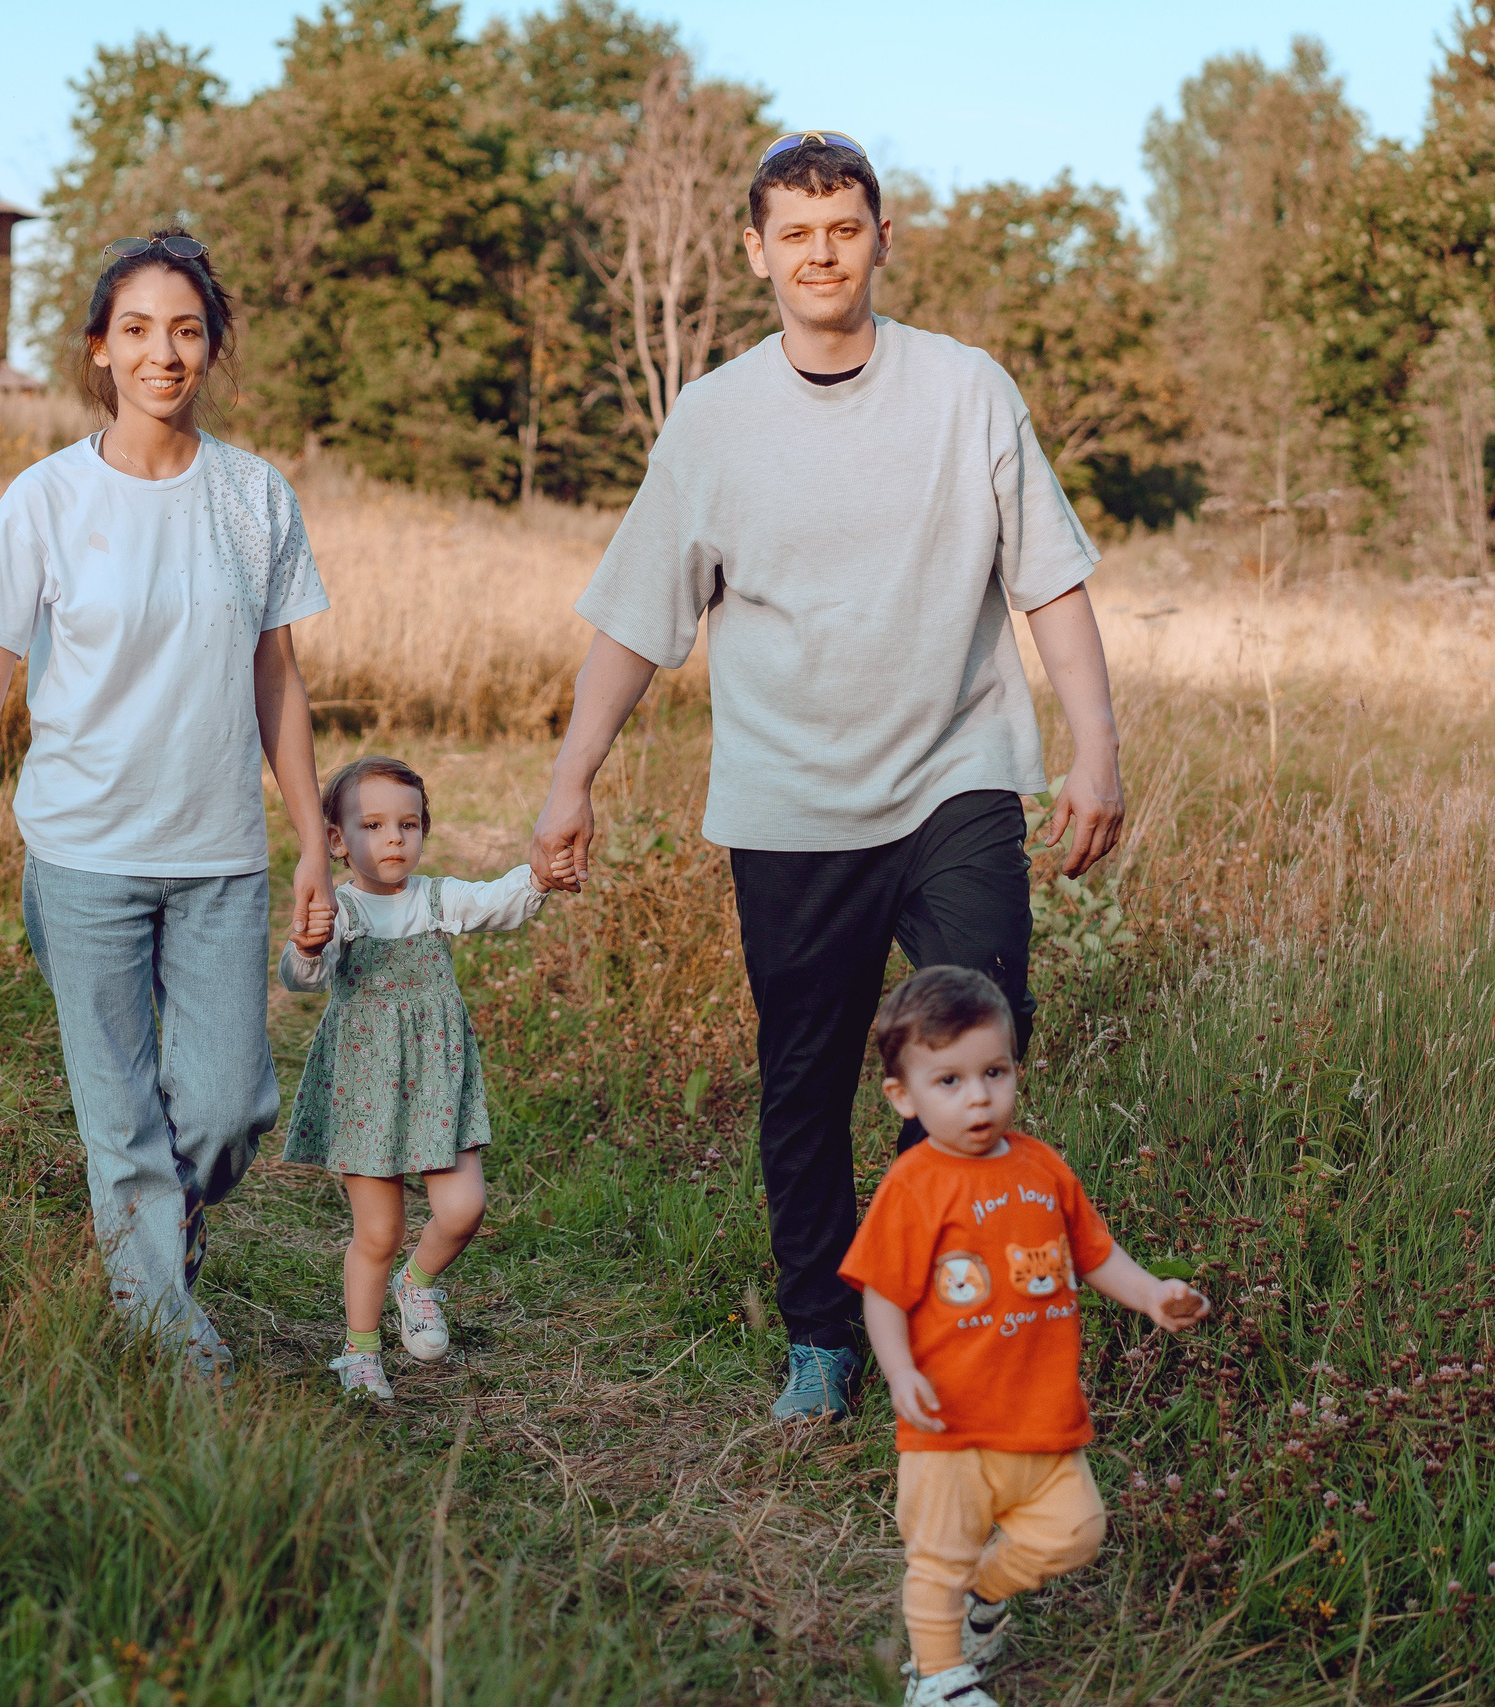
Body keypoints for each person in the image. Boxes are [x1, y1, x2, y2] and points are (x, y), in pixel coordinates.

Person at [529, 132, 1129, 1421]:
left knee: (968, 1045)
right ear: (757, 252)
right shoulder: (713, 418)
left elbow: (1050, 582)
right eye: (794, 234)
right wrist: (572, 775)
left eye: (843, 229)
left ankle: (941, 1312)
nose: (820, 253)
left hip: (957, 777)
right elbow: (639, 616)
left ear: (880, 240)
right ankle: (824, 1332)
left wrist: (1096, 747)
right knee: (803, 1073)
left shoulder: (967, 390)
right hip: (791, 799)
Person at [0, 230, 334, 1381]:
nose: (162, 353)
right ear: (98, 350)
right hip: (82, 852)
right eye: (135, 329)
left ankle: (159, 1248)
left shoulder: (252, 497)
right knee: (120, 1114)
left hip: (219, 850)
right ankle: (168, 1340)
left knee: (229, 1107)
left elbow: (275, 675)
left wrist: (314, 841)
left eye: (185, 330)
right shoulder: (44, 500)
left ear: (211, 349)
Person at [840, 966, 1206, 1706]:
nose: (978, 1095)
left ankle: (985, 1591)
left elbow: (1095, 1252)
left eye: (994, 1072)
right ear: (902, 1096)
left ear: (1014, 1070)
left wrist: (1152, 1295)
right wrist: (898, 1368)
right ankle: (937, 1678)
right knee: (936, 1557)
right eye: (949, 1080)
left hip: (1038, 1412)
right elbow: (882, 1292)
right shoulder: (913, 1185)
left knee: (1076, 1532)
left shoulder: (1043, 1166)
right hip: (948, 1421)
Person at [278, 757, 547, 1400]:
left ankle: (418, 1283)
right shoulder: (341, 911)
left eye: (408, 823)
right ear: (337, 842)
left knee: (464, 1209)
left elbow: (497, 902)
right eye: (371, 825)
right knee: (379, 1232)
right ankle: (360, 1351)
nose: (393, 838)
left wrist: (540, 875)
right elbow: (299, 976)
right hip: (367, 1088)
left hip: (435, 1080)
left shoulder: (435, 900)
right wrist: (309, 947)